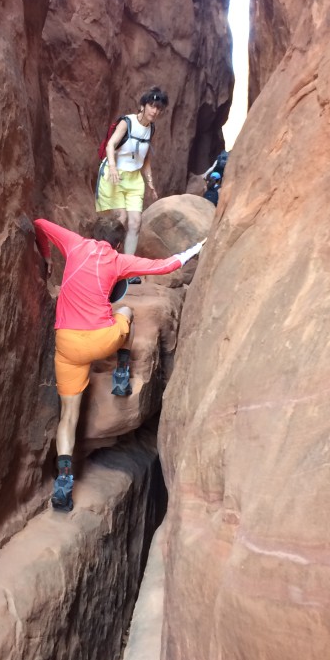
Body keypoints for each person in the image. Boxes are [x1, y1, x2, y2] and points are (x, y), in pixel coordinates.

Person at [34, 213, 205, 511]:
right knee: (125, 311)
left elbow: (39, 224)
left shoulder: (74, 244)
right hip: (102, 341)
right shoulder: (117, 260)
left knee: (68, 417)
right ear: (116, 244)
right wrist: (196, 248)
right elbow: (166, 265)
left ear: (91, 232)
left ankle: (64, 481)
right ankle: (122, 372)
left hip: (69, 345)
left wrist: (47, 258)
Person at [95, 87, 169, 280]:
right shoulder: (127, 122)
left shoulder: (151, 128)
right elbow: (111, 144)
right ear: (143, 106)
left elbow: (145, 157)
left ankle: (127, 269)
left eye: (159, 108)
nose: (155, 111)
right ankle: (109, 266)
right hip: (115, 175)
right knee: (120, 219)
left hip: (135, 179)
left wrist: (150, 182)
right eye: (152, 106)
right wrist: (112, 167)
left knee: (135, 222)